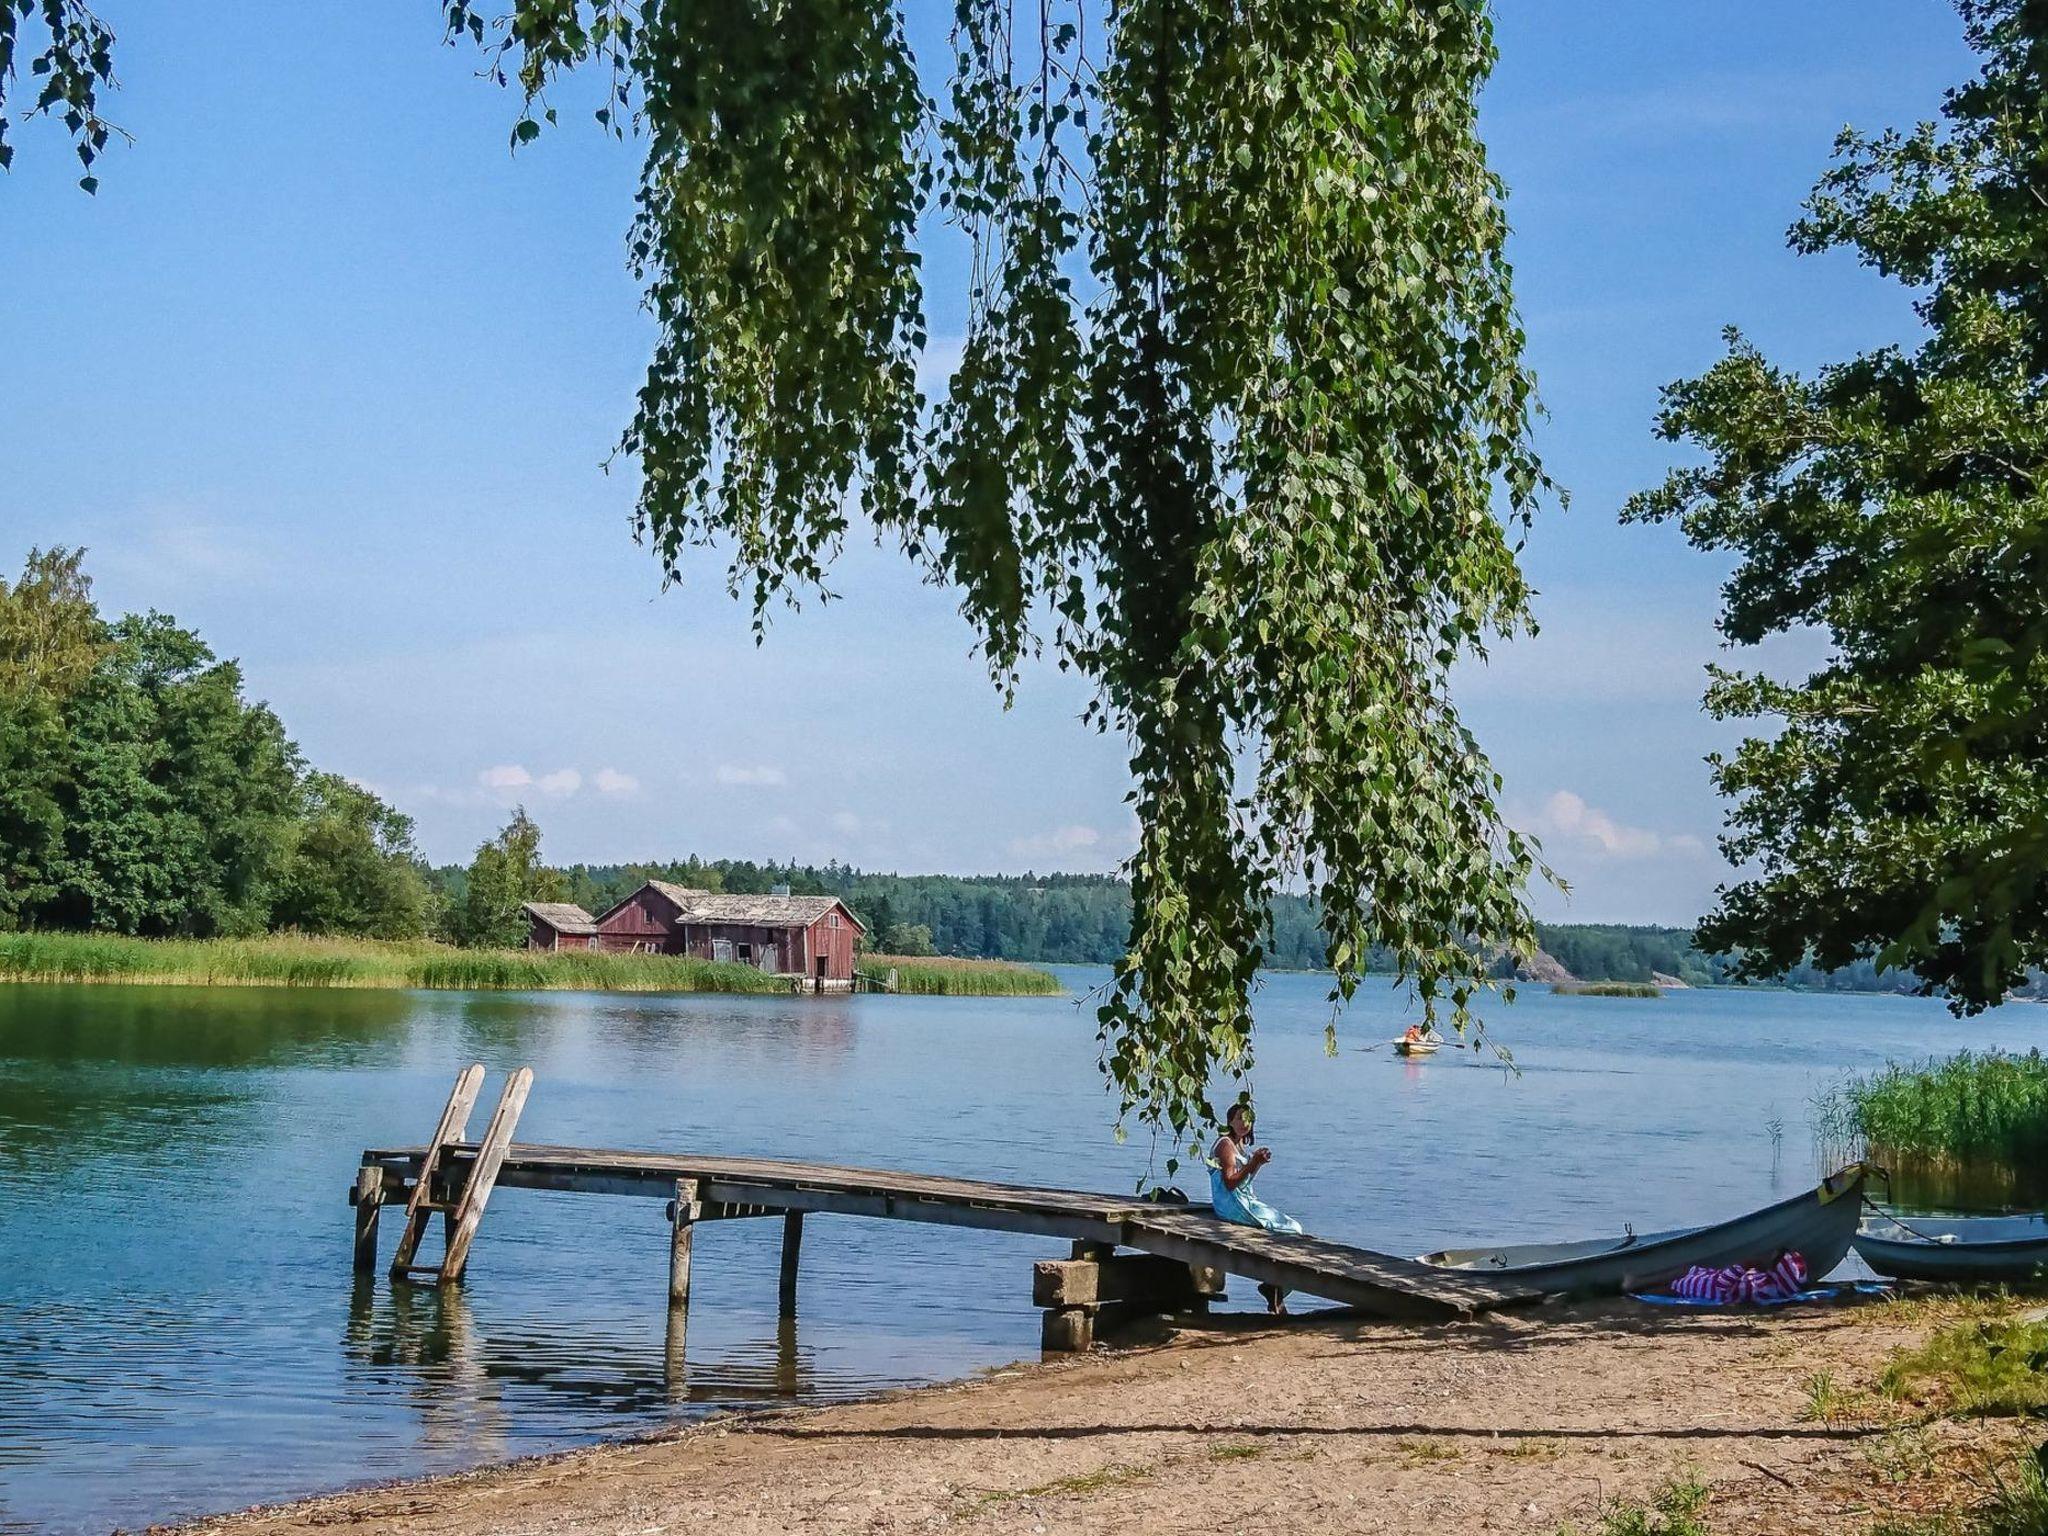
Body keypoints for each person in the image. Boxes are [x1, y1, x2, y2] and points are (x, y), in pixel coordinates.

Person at [1209, 1103, 1304, 1314]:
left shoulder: (1240, 1145)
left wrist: (1257, 1164)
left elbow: (1244, 1182)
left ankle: (1275, 1285)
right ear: (1230, 1121)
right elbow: (1230, 1183)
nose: (1244, 1123)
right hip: (1232, 1204)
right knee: (1291, 1230)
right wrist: (1253, 1163)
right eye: (1239, 1118)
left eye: (1248, 1119)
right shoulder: (1225, 1145)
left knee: (1290, 1228)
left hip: (1244, 1200)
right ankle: (1275, 1286)